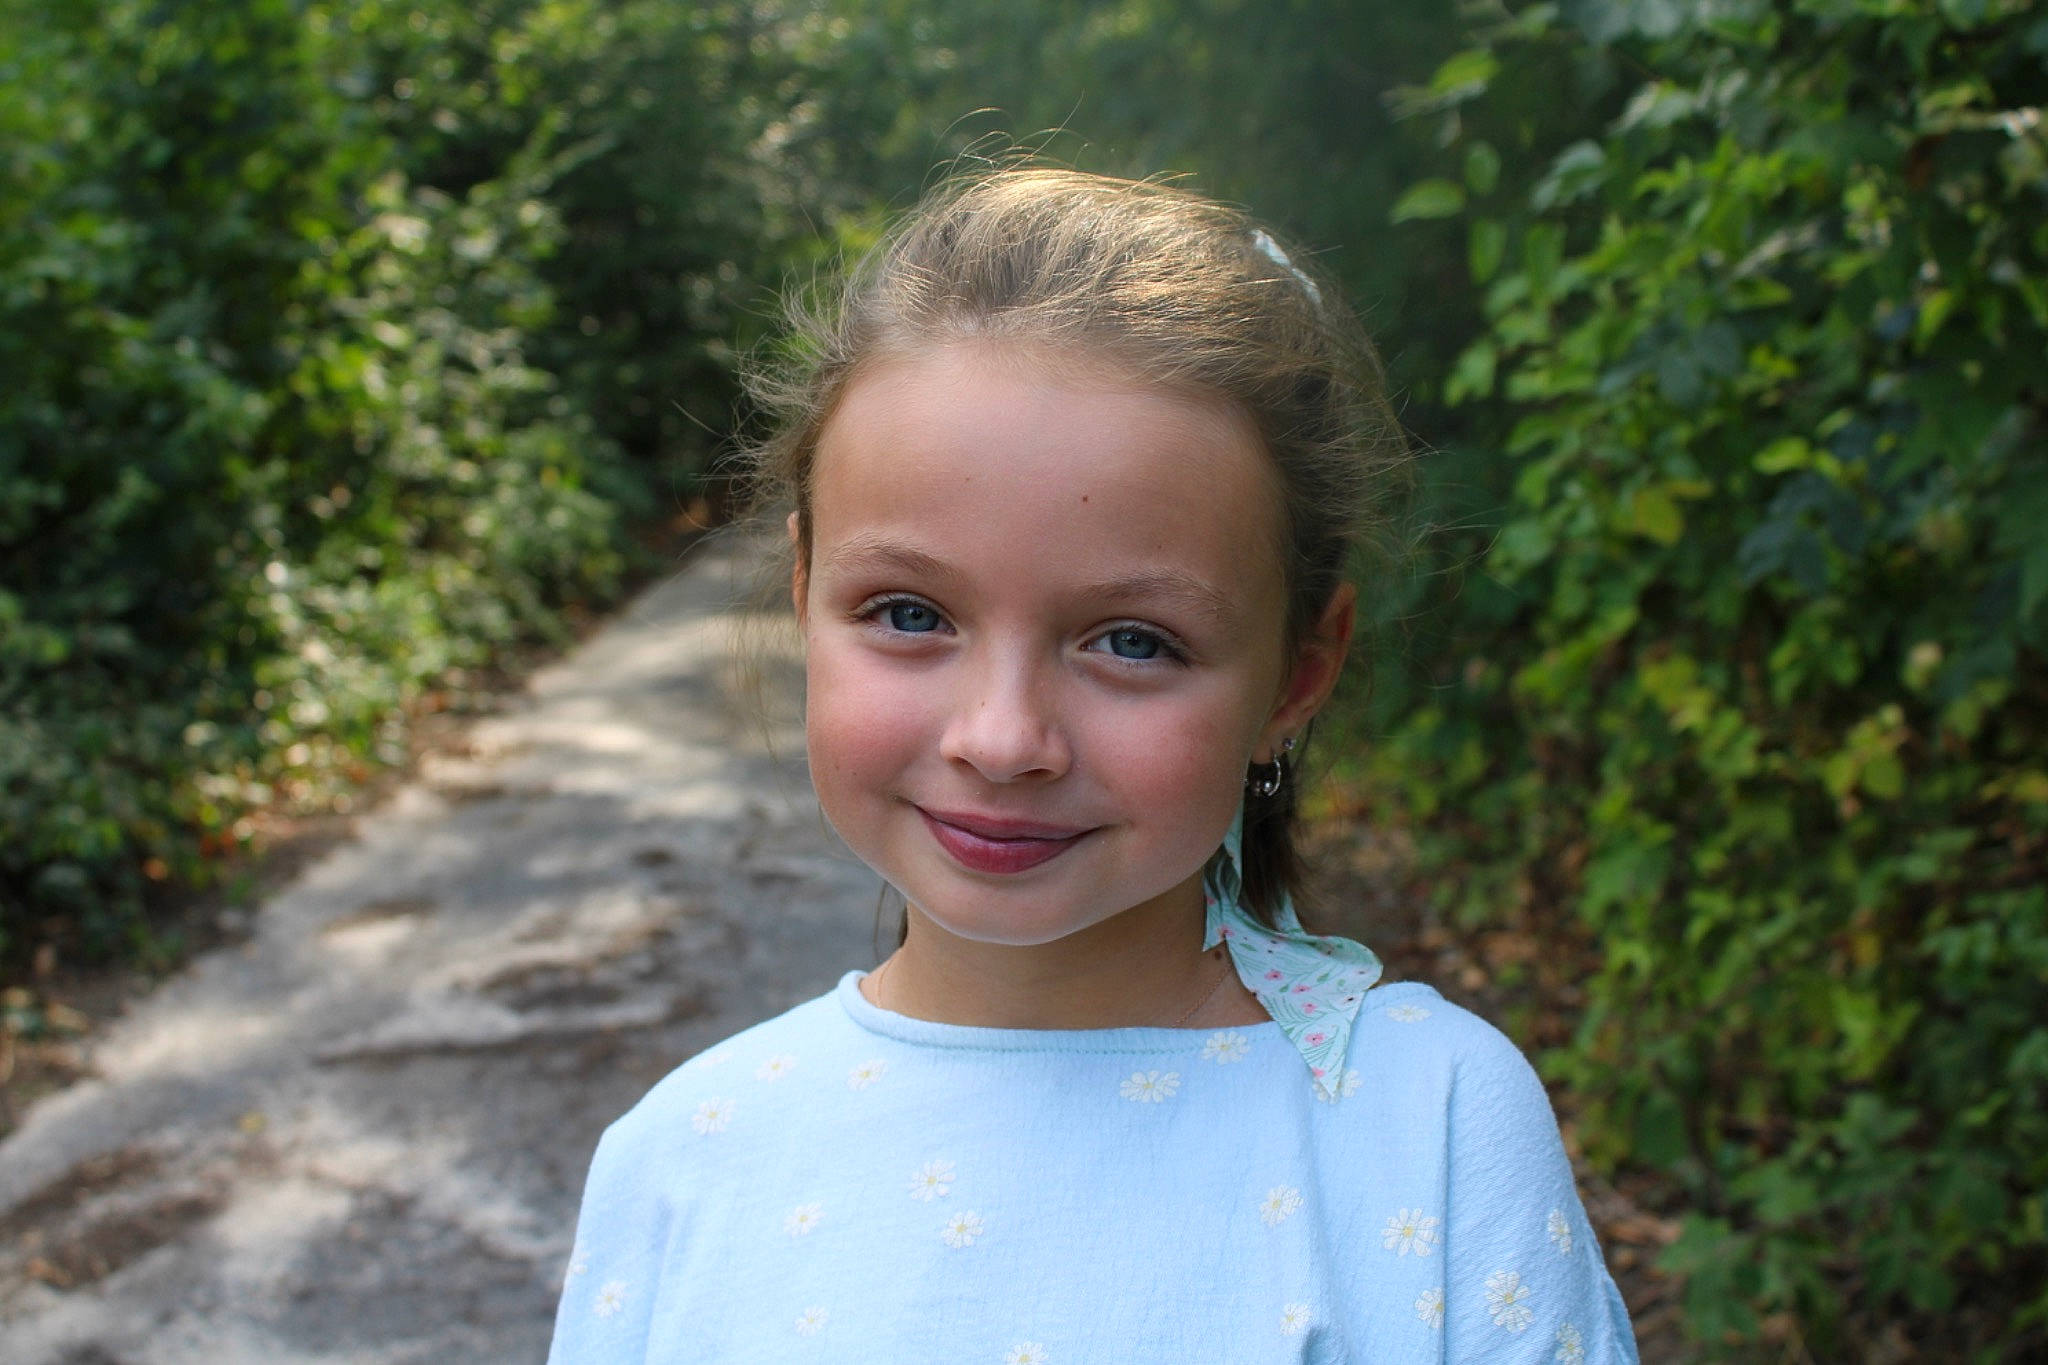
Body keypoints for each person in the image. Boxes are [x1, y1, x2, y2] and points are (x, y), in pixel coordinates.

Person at [547, 167, 1639, 1362]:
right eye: (909, 614)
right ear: (805, 593)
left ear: (1295, 676)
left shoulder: (1426, 1127)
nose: (1002, 739)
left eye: (1132, 642)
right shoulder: (684, 1159)